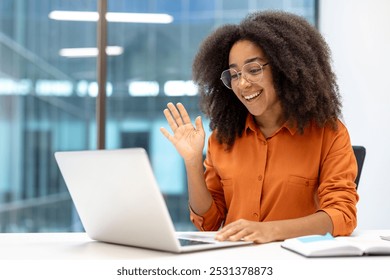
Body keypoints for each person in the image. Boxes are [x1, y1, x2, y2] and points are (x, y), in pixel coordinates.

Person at [160, 11, 358, 244]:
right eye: (234, 75)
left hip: (298, 265)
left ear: (285, 68)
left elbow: (342, 215)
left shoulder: (329, 133)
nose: (243, 84)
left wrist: (271, 231)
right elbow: (210, 223)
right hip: (236, 263)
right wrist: (192, 162)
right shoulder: (222, 139)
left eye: (254, 70)